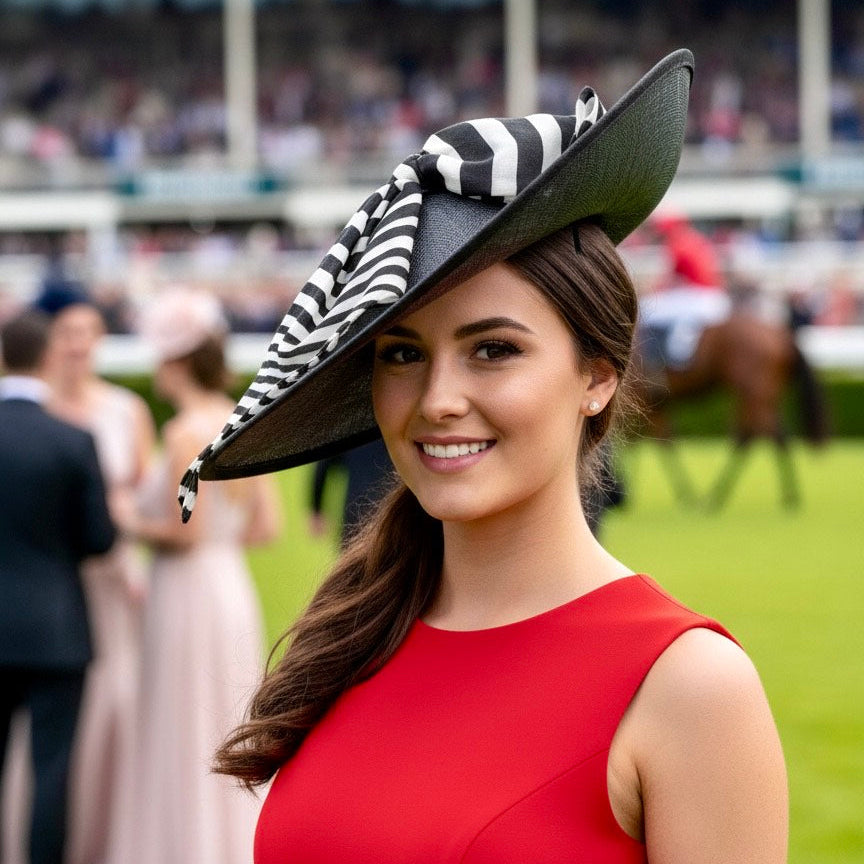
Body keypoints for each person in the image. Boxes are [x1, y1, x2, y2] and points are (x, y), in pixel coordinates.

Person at [179, 50, 788, 863]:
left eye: (493, 350)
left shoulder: (690, 689)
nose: (436, 399)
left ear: (598, 377)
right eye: (401, 354)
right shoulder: (349, 639)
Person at [115, 289, 281, 864]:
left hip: (185, 588)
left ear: (177, 362)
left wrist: (130, 519)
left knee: (183, 721)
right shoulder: (239, 420)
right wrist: (218, 541)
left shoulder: (186, 431)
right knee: (221, 716)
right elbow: (266, 527)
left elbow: (184, 533)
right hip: (228, 584)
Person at [42, 294, 156, 864]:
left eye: (88, 331)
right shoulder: (33, 413)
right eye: (67, 331)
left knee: (115, 703)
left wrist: (121, 517)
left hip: (114, 580)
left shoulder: (125, 410)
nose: (79, 343)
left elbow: (147, 492)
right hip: (54, 579)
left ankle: (110, 836)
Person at [0, 311, 116, 864]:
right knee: (52, 769)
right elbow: (99, 538)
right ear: (47, 358)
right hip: (55, 628)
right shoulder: (72, 439)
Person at [638, 211, 732, 370]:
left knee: (646, 307)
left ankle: (657, 363)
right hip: (714, 297)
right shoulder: (695, 238)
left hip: (701, 298)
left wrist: (649, 291)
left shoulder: (678, 244)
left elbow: (666, 281)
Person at [308, 438, 394, 545]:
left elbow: (323, 464)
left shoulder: (349, 429)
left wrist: (316, 508)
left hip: (355, 512)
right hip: (389, 510)